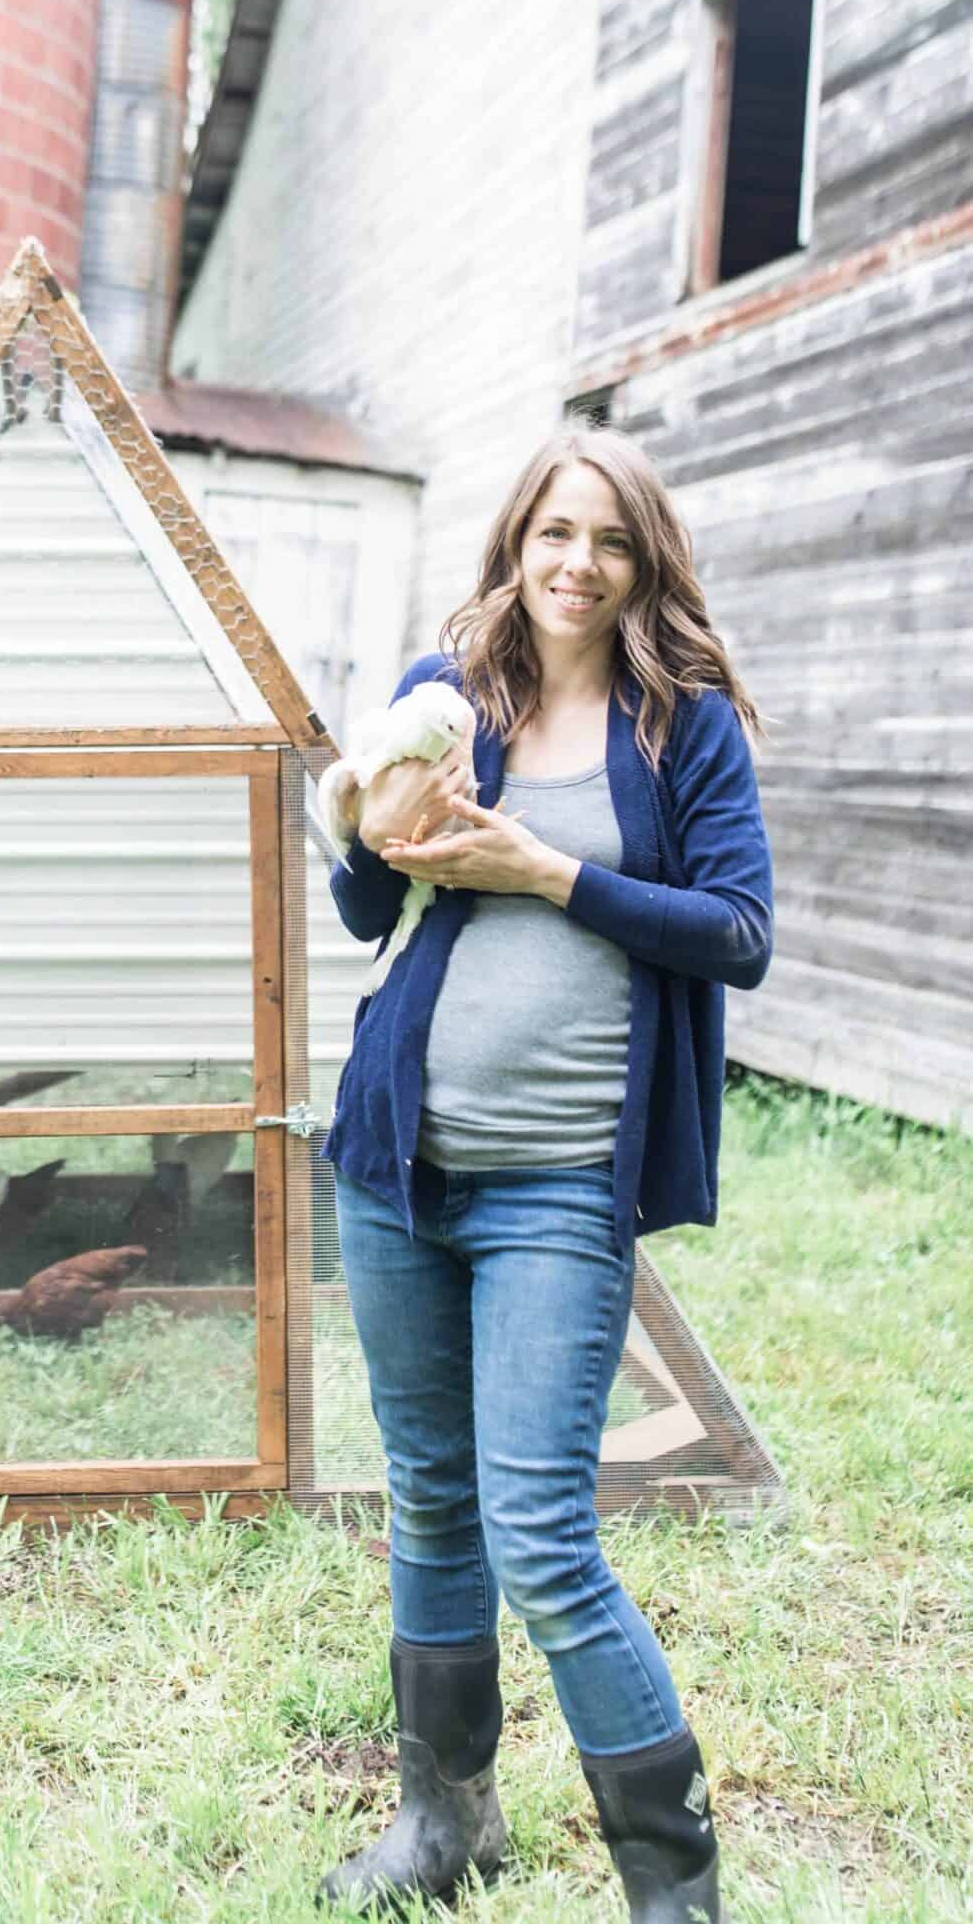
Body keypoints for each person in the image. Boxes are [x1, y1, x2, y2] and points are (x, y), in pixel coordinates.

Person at [316, 425, 773, 1923]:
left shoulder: (680, 727)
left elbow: (739, 934)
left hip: (560, 1182)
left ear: (645, 563)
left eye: (611, 541)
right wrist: (353, 816)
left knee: (542, 1534)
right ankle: (446, 1825)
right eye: (555, 534)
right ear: (516, 544)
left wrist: (550, 872)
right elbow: (365, 899)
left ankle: (674, 1884)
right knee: (431, 1495)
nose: (578, 564)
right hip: (398, 1158)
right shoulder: (451, 699)